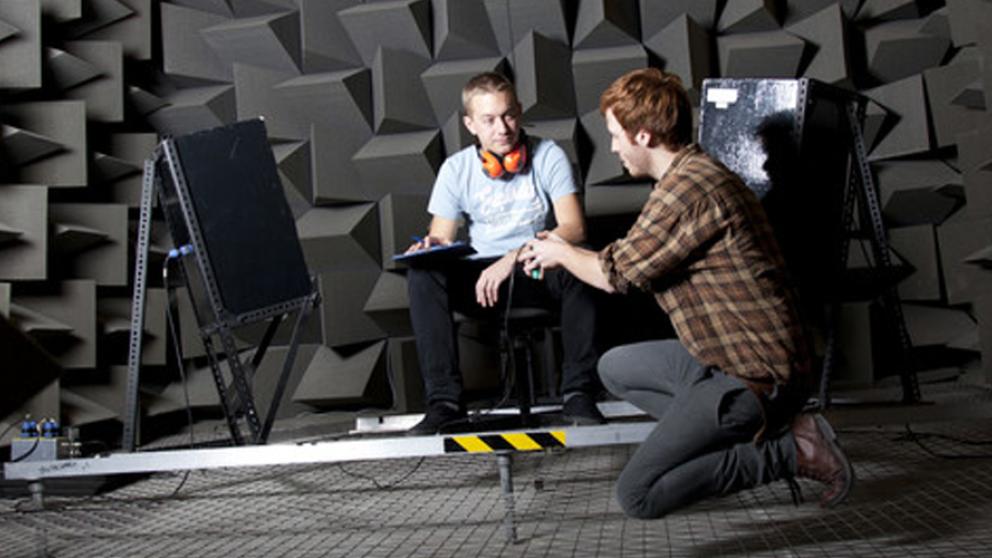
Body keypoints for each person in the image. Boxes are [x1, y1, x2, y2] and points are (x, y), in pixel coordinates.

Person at [518, 68, 853, 518]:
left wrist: (560, 255)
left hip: (755, 375)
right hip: (722, 357)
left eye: (617, 135)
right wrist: (564, 247)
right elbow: (624, 258)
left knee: (637, 496)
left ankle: (790, 451)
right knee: (615, 367)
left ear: (645, 135)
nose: (613, 146)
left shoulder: (690, 189)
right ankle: (736, 431)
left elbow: (615, 275)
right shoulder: (688, 175)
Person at [405, 72, 605, 435]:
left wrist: (511, 257)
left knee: (582, 259)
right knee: (423, 273)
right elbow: (442, 237)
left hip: (534, 267)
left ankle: (579, 392)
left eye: (509, 115)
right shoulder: (456, 169)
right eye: (489, 119)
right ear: (470, 124)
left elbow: (573, 228)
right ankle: (444, 402)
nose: (503, 128)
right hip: (484, 282)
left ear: (520, 111)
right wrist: (431, 247)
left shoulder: (548, 155)